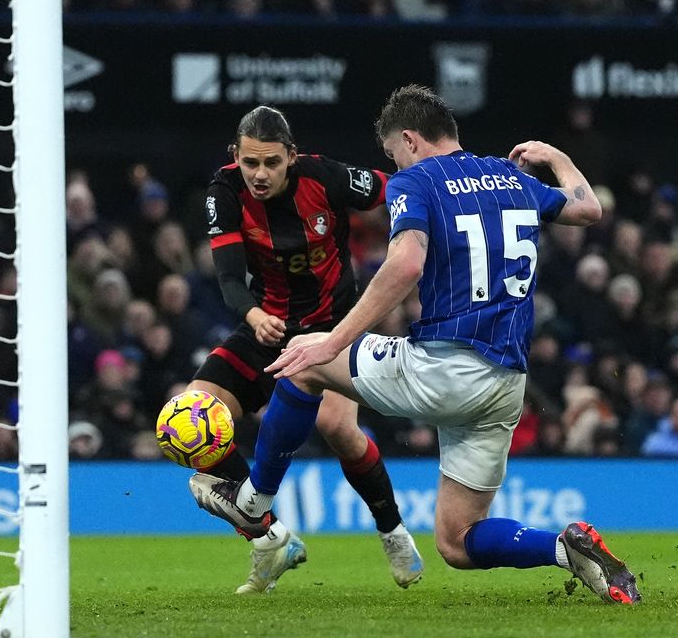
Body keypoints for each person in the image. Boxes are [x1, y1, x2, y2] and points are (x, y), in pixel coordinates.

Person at [190, 85, 640, 605]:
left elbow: (405, 264)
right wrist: (556, 157)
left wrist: (335, 341)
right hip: (507, 383)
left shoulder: (416, 179)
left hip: (447, 365)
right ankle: (566, 547)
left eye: (392, 154)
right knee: (457, 540)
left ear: (409, 139)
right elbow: (588, 210)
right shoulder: (513, 176)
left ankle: (252, 503)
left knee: (302, 360)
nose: (394, 164)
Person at [180, 105, 423, 594]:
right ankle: (269, 538)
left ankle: (392, 529)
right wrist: (253, 316)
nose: (260, 174)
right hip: (266, 325)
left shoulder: (326, 177)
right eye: (251, 163)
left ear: (291, 156)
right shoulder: (223, 192)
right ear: (236, 157)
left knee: (337, 427)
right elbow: (228, 277)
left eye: (271, 162)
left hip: (334, 329)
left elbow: (398, 185)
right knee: (187, 420)